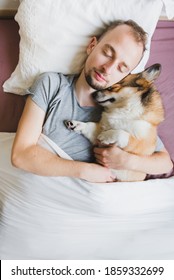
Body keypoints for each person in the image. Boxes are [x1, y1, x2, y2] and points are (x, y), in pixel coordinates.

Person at [11, 20, 173, 183]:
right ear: (92, 46)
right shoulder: (52, 85)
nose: (108, 68)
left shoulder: (125, 113)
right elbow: (21, 155)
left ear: (126, 76)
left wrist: (126, 161)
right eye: (108, 53)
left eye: (121, 68)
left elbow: (165, 163)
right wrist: (84, 170)